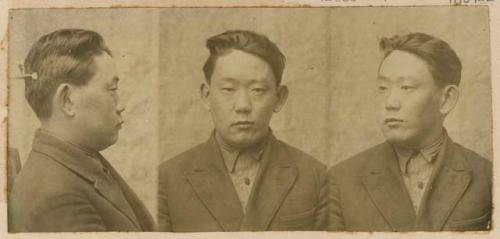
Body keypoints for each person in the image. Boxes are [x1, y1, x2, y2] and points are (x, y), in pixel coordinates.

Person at [158, 30, 327, 232]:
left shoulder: (315, 177)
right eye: (229, 89)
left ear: (279, 98)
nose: (243, 105)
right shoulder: (168, 180)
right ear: (206, 96)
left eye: (257, 90)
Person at [327, 32, 492, 231]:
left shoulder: (487, 177)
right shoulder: (342, 179)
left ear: (447, 99)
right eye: (383, 88)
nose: (390, 103)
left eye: (406, 87)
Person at [9, 29, 155, 232]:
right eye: (111, 90)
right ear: (68, 100)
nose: (121, 105)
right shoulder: (55, 199)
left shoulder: (78, 161)